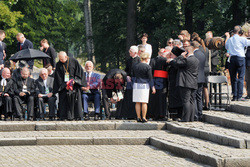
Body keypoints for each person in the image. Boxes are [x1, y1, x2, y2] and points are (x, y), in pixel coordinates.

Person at [53, 51, 86, 120]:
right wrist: (65, 86)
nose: (61, 61)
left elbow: (79, 73)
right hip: (64, 86)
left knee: (76, 99)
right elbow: (58, 77)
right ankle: (65, 116)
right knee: (64, 99)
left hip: (75, 85)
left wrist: (74, 81)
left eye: (62, 59)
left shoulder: (74, 61)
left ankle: (77, 116)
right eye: (60, 59)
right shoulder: (58, 64)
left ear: (66, 57)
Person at [170, 45, 199, 122]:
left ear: (187, 52)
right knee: (192, 101)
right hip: (193, 83)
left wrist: (180, 56)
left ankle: (185, 118)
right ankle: (191, 118)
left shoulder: (187, 60)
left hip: (185, 83)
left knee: (186, 101)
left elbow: (177, 63)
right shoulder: (196, 60)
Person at [225, 26, 250, 101]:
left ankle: (234, 95)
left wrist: (227, 37)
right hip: (240, 58)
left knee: (233, 78)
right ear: (239, 31)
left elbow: (226, 47)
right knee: (241, 77)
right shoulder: (241, 39)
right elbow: (248, 43)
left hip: (232, 59)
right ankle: (239, 96)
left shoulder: (230, 40)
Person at [132, 52, 156, 123]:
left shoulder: (135, 66)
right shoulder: (148, 67)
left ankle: (138, 117)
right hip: (144, 85)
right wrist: (153, 87)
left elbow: (132, 75)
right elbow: (150, 78)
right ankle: (144, 117)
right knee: (144, 102)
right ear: (146, 59)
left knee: (137, 102)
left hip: (136, 84)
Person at [120, 46, 140, 119]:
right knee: (128, 97)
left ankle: (135, 114)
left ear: (135, 52)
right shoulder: (128, 60)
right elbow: (127, 70)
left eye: (130, 51)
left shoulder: (139, 60)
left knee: (135, 97)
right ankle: (127, 114)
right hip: (129, 81)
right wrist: (127, 76)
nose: (129, 53)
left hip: (136, 80)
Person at [148, 48, 168, 120]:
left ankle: (156, 114)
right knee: (159, 98)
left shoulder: (154, 60)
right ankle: (160, 114)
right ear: (159, 53)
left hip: (159, 81)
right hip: (159, 81)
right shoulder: (162, 60)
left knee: (159, 98)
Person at [168, 46, 185, 121]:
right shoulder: (175, 60)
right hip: (173, 82)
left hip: (177, 82)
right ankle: (174, 114)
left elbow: (177, 65)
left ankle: (178, 114)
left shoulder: (178, 60)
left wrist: (171, 61)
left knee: (177, 99)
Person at [193, 41, 206, 121]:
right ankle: (200, 113)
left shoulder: (194, 55)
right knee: (199, 97)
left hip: (195, 77)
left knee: (194, 97)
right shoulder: (202, 54)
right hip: (201, 77)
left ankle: (195, 115)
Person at [244, 29, 250, 99]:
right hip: (247, 63)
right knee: (247, 80)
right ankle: (249, 94)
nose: (248, 33)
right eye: (248, 32)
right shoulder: (245, 40)